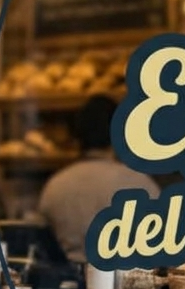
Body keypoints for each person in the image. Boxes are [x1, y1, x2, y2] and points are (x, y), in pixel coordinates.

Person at [38, 95, 159, 263]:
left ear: (77, 136)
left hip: (67, 282)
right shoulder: (140, 184)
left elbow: (42, 245)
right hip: (124, 282)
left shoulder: (55, 185)